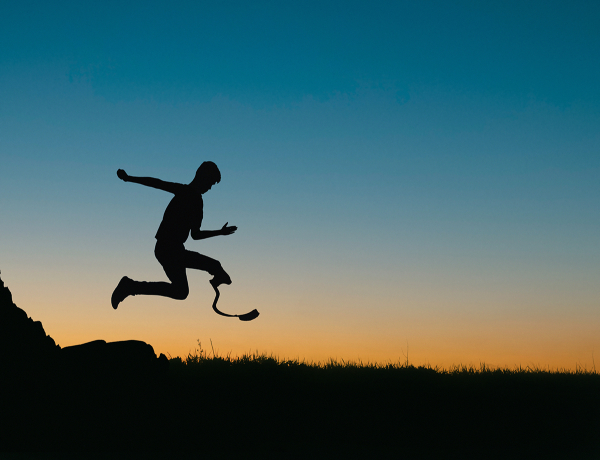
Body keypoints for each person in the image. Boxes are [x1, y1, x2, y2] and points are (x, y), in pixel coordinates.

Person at [111, 161, 237, 309]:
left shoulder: (197, 203)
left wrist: (220, 232)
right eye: (210, 183)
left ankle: (130, 286)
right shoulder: (185, 191)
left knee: (181, 292)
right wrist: (129, 178)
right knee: (213, 266)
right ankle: (218, 274)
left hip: (172, 250)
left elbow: (195, 235)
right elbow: (156, 183)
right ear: (202, 177)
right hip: (167, 248)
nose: (209, 188)